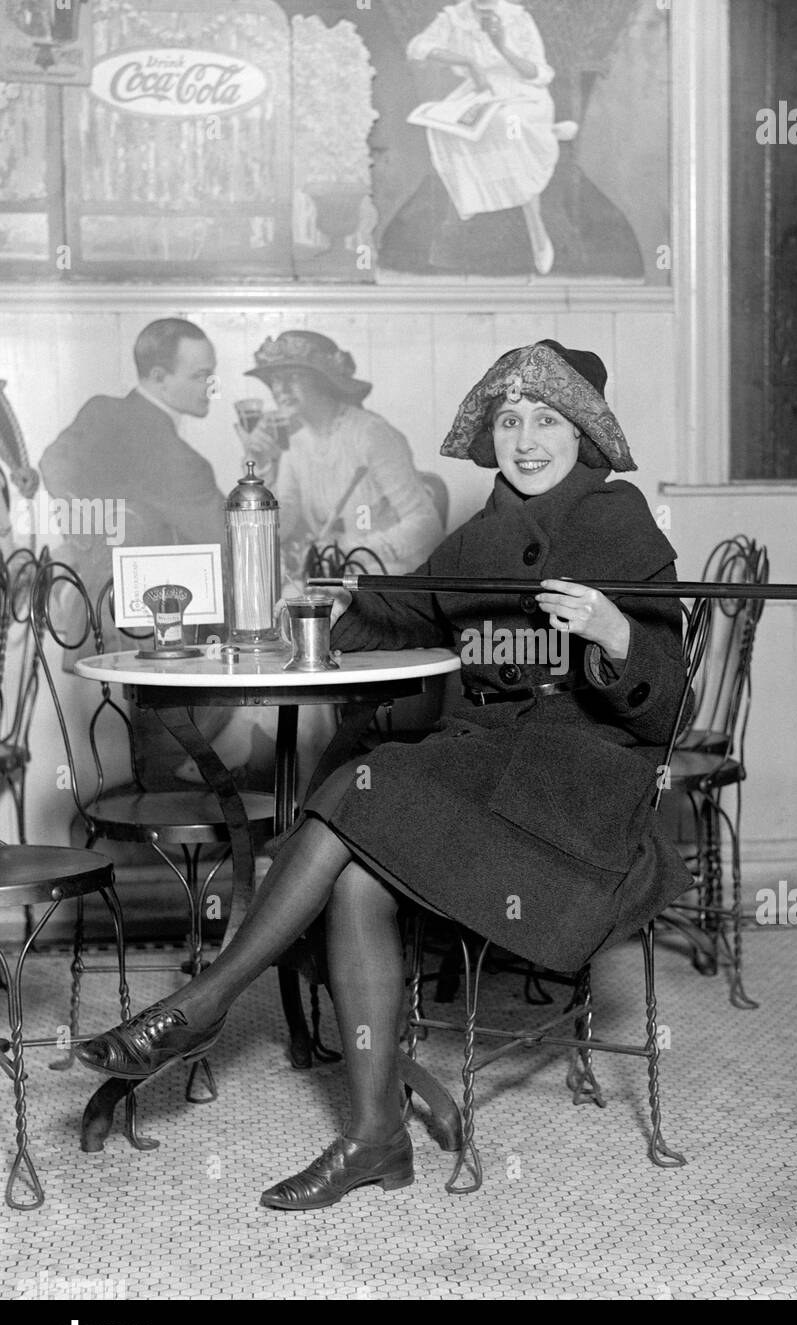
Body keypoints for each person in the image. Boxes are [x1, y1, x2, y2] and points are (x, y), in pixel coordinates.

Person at [75, 340, 693, 1211]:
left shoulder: (619, 520)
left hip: (575, 802)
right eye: (510, 420)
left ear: (583, 433)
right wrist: (338, 601)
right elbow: (401, 609)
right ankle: (375, 1140)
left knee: (352, 799)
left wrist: (615, 633)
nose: (524, 439)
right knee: (357, 874)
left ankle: (205, 1002)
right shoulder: (480, 535)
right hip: (481, 773)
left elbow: (668, 709)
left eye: (546, 421)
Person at [236, 331, 444, 586]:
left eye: (292, 377)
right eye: (275, 381)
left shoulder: (370, 433)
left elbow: (426, 525)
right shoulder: (296, 444)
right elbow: (280, 527)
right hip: (332, 579)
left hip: (389, 578)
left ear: (323, 380)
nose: (280, 390)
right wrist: (258, 466)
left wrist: (350, 554)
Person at [38, 318, 225, 598]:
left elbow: (52, 463)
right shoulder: (185, 465)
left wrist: (85, 536)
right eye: (200, 376)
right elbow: (233, 542)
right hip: (151, 620)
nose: (212, 387)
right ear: (159, 377)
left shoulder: (100, 411)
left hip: (88, 610)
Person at [407, 0, 561, 274]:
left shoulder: (518, 17)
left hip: (522, 95)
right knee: (446, 128)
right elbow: (417, 47)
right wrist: (466, 61)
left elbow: (539, 73)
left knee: (508, 125)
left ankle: (536, 229)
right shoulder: (455, 16)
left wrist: (502, 46)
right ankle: (473, 202)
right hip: (479, 92)